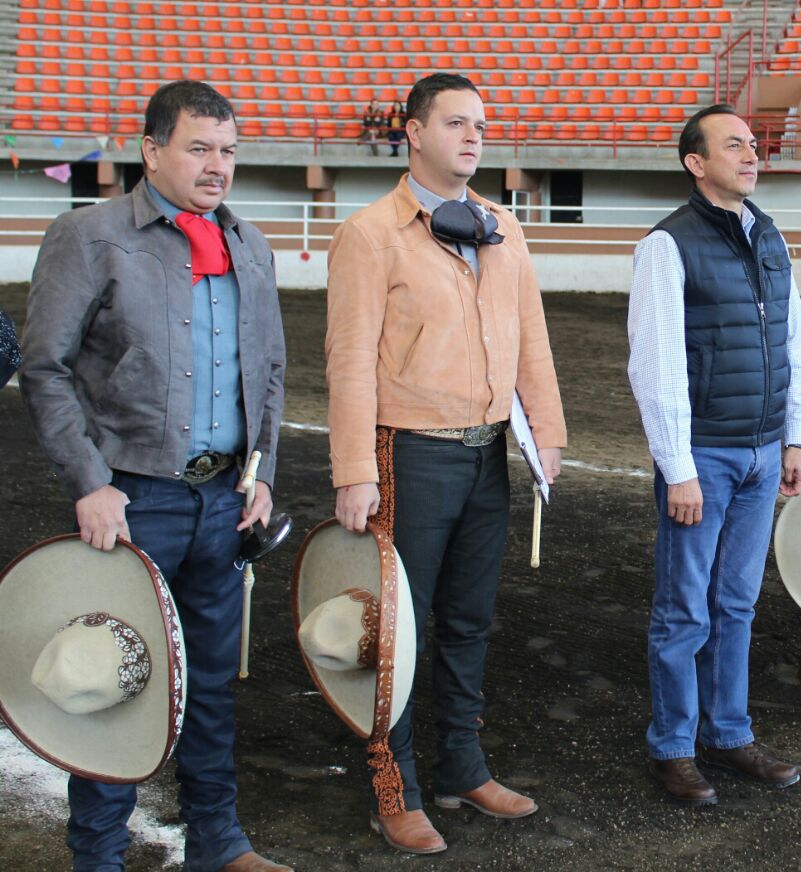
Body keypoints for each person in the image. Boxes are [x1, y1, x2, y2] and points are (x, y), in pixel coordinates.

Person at [20, 80, 289, 872]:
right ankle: (97, 858)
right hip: (132, 500)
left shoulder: (251, 244)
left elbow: (270, 371)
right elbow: (45, 369)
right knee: (112, 680)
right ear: (152, 151)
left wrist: (261, 470)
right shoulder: (89, 236)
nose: (217, 166)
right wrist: (88, 482)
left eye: (229, 150)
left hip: (224, 502)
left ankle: (219, 842)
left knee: (210, 682)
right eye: (199, 148)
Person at [326, 73, 567, 854]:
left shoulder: (504, 226)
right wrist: (354, 468)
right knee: (398, 627)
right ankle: (392, 787)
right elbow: (350, 360)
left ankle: (463, 764)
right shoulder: (370, 234)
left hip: (487, 452)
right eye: (456, 123)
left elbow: (532, 336)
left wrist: (548, 433)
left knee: (468, 619)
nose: (473, 136)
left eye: (481, 125)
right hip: (409, 454)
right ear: (413, 132)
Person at [628, 104, 801, 805]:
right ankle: (674, 745)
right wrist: (676, 465)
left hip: (764, 451)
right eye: (733, 145)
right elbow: (654, 365)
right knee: (685, 607)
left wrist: (795, 433)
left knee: (736, 602)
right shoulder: (667, 244)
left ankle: (729, 732)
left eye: (753, 144)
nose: (751, 154)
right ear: (695, 163)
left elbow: (795, 338)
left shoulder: (768, 235)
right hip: (703, 457)